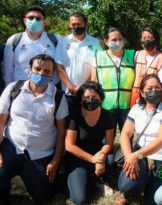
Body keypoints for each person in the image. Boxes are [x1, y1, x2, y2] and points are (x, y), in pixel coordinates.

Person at [0, 54, 68, 204]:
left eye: (46, 71)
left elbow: (61, 131)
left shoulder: (58, 97)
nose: (41, 73)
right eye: (37, 69)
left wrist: (56, 160)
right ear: (29, 69)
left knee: (43, 197)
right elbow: (1, 121)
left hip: (40, 153)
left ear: (52, 75)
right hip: (11, 148)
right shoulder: (13, 88)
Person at [116, 74, 162, 205]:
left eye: (157, 88)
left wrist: (136, 156)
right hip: (141, 157)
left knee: (155, 201)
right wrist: (129, 157)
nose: (154, 91)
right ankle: (130, 192)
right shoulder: (136, 108)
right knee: (126, 186)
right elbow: (125, 134)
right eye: (149, 88)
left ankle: (147, 185)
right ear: (142, 93)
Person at [65, 81, 115, 205]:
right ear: (80, 100)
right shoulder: (74, 116)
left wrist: (100, 157)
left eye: (94, 97)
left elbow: (109, 142)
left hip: (99, 154)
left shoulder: (107, 115)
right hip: (78, 157)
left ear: (100, 98)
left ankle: (100, 179)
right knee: (79, 199)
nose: (91, 100)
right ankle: (91, 178)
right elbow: (69, 146)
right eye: (86, 97)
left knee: (110, 159)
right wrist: (93, 160)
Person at [91, 27, 136, 133]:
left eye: (120, 39)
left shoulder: (133, 55)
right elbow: (94, 81)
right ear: (106, 42)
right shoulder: (98, 57)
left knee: (127, 136)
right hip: (106, 105)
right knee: (106, 137)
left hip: (127, 105)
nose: (118, 42)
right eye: (114, 40)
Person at [3, 6, 61, 86]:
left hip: (47, 91)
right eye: (31, 17)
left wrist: (52, 87)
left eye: (38, 18)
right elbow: (8, 69)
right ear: (25, 21)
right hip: (19, 90)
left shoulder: (56, 40)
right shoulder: (14, 40)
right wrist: (10, 89)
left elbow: (60, 67)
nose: (34, 20)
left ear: (44, 23)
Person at [55, 12, 102, 111]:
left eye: (79, 24)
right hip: (67, 94)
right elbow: (59, 67)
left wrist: (83, 86)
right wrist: (71, 87)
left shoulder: (95, 43)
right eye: (73, 24)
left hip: (88, 94)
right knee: (69, 124)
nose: (76, 27)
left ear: (85, 24)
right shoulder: (63, 42)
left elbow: (96, 68)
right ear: (69, 24)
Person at [130, 27, 162, 107]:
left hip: (153, 96)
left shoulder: (161, 57)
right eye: (144, 38)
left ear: (156, 40)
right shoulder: (137, 54)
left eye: (150, 38)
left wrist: (160, 98)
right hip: (136, 96)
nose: (146, 40)